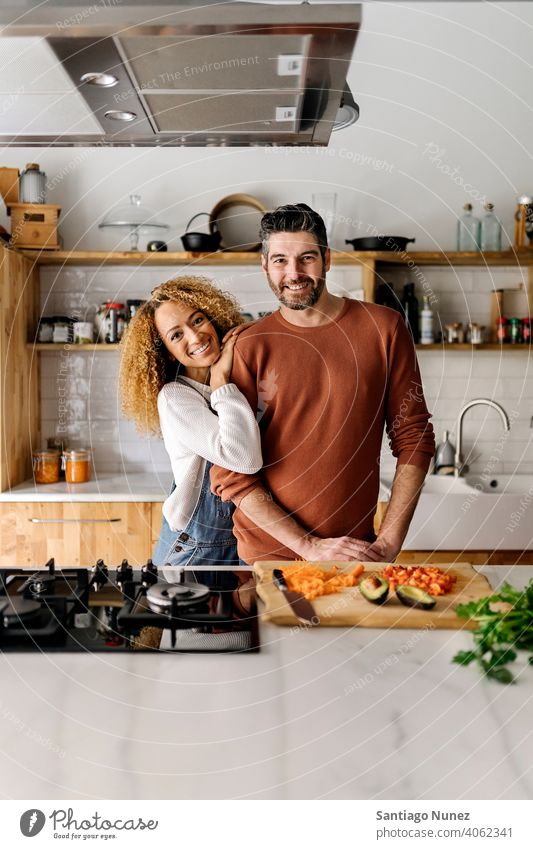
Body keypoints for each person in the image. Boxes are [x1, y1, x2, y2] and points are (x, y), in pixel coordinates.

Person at [211, 204, 436, 566]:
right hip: (264, 560)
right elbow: (230, 471)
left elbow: (414, 436)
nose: (294, 273)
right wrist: (308, 547)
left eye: (307, 258)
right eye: (280, 260)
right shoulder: (249, 346)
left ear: (327, 259)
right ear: (265, 265)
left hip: (353, 553)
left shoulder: (384, 329)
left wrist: (390, 542)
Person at [119, 276, 262, 597]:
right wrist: (221, 376)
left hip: (237, 539)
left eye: (198, 319)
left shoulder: (237, 383)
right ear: (168, 353)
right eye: (176, 335)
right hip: (195, 547)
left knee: (236, 639)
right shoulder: (176, 396)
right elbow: (245, 458)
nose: (195, 336)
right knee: (188, 641)